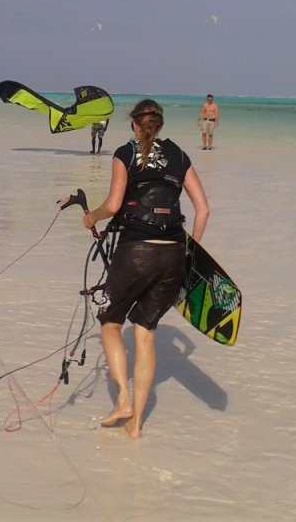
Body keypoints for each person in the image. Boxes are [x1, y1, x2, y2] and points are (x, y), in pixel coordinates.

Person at [82, 99, 209, 439]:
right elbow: (204, 209)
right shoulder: (180, 156)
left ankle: (123, 399)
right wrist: (192, 254)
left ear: (135, 125)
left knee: (110, 321)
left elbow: (112, 205)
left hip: (136, 251)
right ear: (160, 125)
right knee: (146, 333)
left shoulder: (126, 153)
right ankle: (135, 426)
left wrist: (90, 217)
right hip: (173, 256)